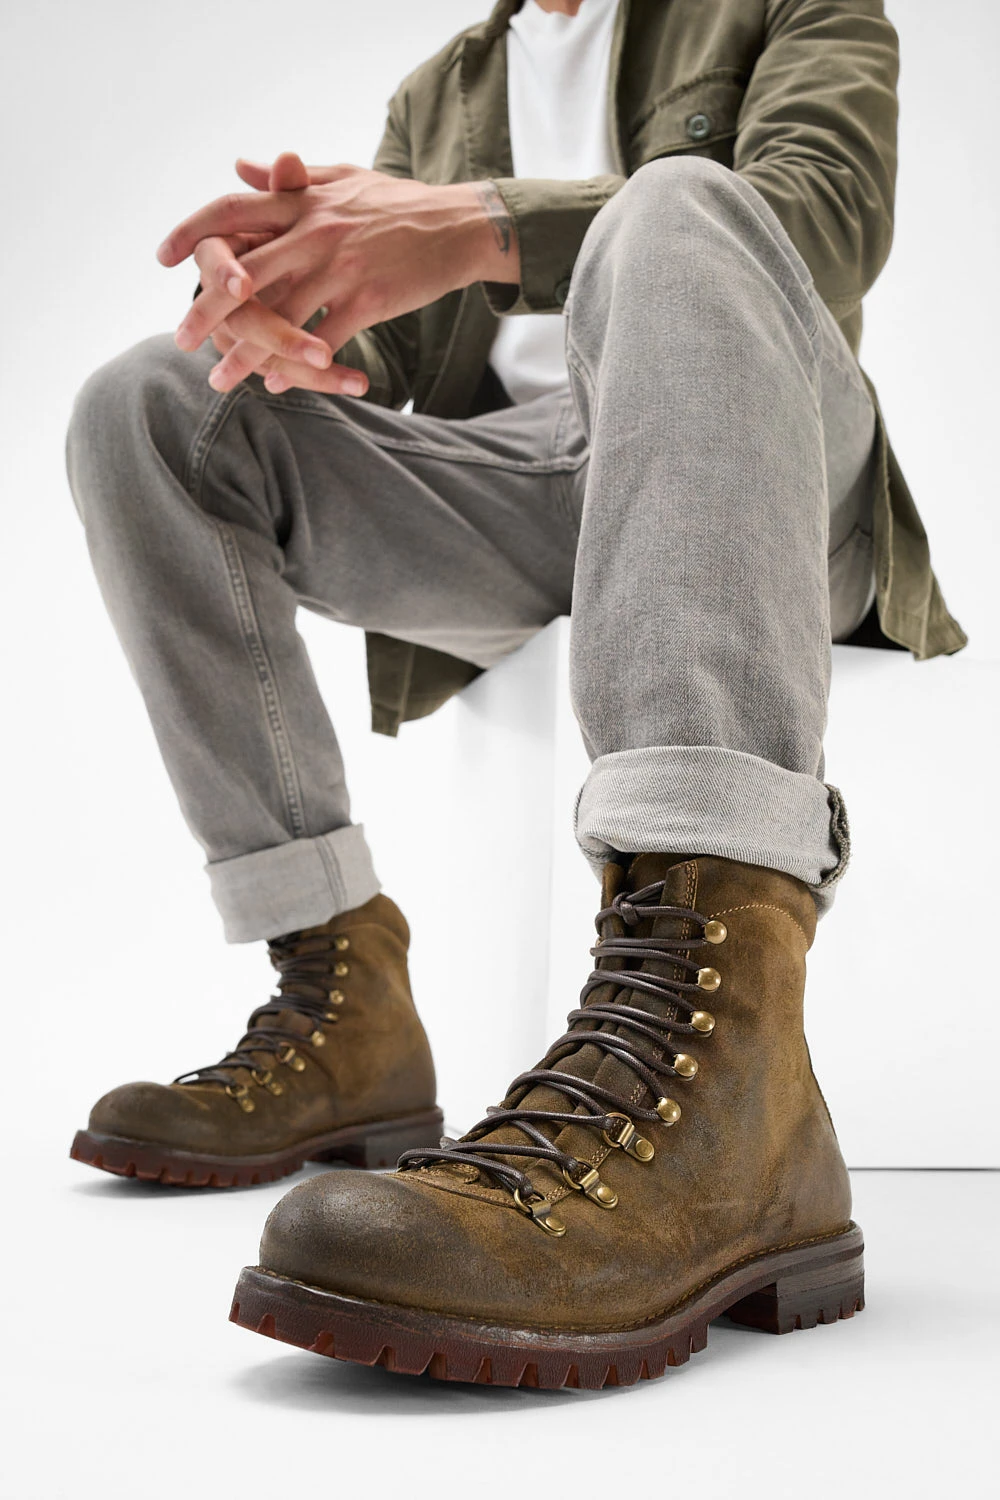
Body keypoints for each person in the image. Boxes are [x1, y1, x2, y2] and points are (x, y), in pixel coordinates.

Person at [65, 0, 964, 1386]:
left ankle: (722, 1054)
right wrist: (288, 315)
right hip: (521, 485)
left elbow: (823, 220)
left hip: (765, 453)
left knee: (681, 208)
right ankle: (340, 994)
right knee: (154, 402)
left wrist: (480, 224)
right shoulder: (443, 90)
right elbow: (386, 363)